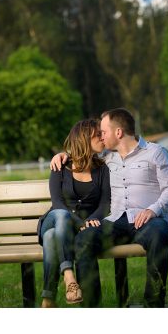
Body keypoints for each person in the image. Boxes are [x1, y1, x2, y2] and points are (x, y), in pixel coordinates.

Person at [50, 108, 168, 307]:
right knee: (83, 239)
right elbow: (83, 151)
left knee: (159, 234)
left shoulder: (156, 153)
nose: (101, 136)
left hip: (148, 220)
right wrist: (64, 155)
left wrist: (153, 210)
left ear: (118, 133)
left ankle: (153, 304)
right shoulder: (107, 157)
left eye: (103, 132)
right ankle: (91, 306)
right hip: (115, 221)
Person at [37, 119, 110, 307]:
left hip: (69, 231)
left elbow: (104, 204)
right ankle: (69, 277)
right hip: (55, 219)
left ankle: (48, 299)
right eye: (98, 134)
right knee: (61, 215)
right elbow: (58, 203)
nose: (103, 137)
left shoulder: (103, 169)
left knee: (51, 237)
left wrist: (92, 219)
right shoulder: (60, 165)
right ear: (85, 138)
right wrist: (80, 222)